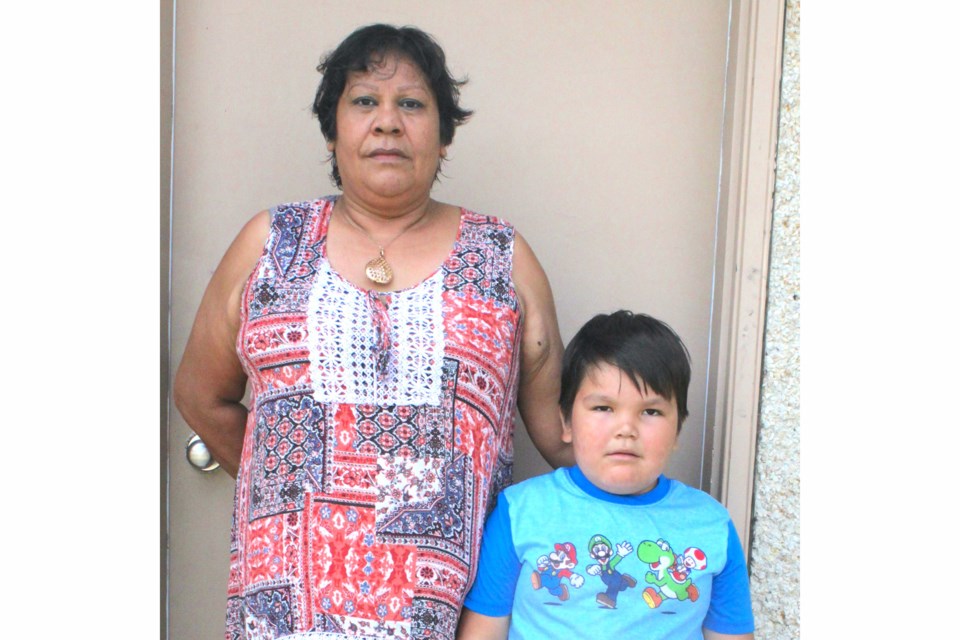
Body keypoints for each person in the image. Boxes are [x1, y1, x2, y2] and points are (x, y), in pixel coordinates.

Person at [174, 23, 571, 640]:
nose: (388, 122)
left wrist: (656, 509)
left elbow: (567, 438)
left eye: (411, 104)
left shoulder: (502, 257)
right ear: (333, 132)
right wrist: (286, 489)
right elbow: (200, 394)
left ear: (444, 138)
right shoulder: (271, 244)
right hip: (286, 609)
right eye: (364, 102)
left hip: (453, 616)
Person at [457, 311, 755, 640]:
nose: (625, 429)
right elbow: (483, 631)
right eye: (603, 408)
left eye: (651, 412)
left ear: (677, 430)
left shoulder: (710, 525)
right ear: (567, 422)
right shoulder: (520, 512)